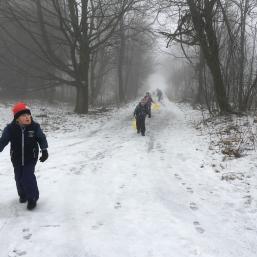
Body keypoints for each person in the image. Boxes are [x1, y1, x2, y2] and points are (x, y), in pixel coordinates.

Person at [0, 102, 48, 210]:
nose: (27, 117)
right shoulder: (10, 129)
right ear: (17, 118)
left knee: (27, 176)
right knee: (18, 178)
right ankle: (23, 194)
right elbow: (2, 141)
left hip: (31, 157)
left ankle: (32, 198)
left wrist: (44, 150)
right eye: (23, 115)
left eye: (28, 115)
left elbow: (41, 138)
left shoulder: (34, 127)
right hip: (16, 158)